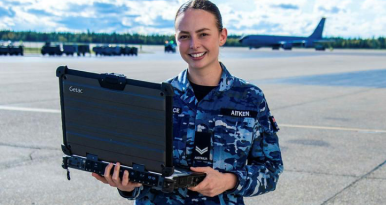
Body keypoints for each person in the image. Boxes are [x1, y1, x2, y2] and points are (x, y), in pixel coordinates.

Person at [92, 0, 283, 204]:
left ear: (222, 36)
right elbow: (140, 170)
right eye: (184, 36)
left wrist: (229, 181)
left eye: (203, 34)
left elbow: (270, 169)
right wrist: (127, 187)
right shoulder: (158, 97)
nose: (194, 45)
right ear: (176, 40)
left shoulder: (250, 98)